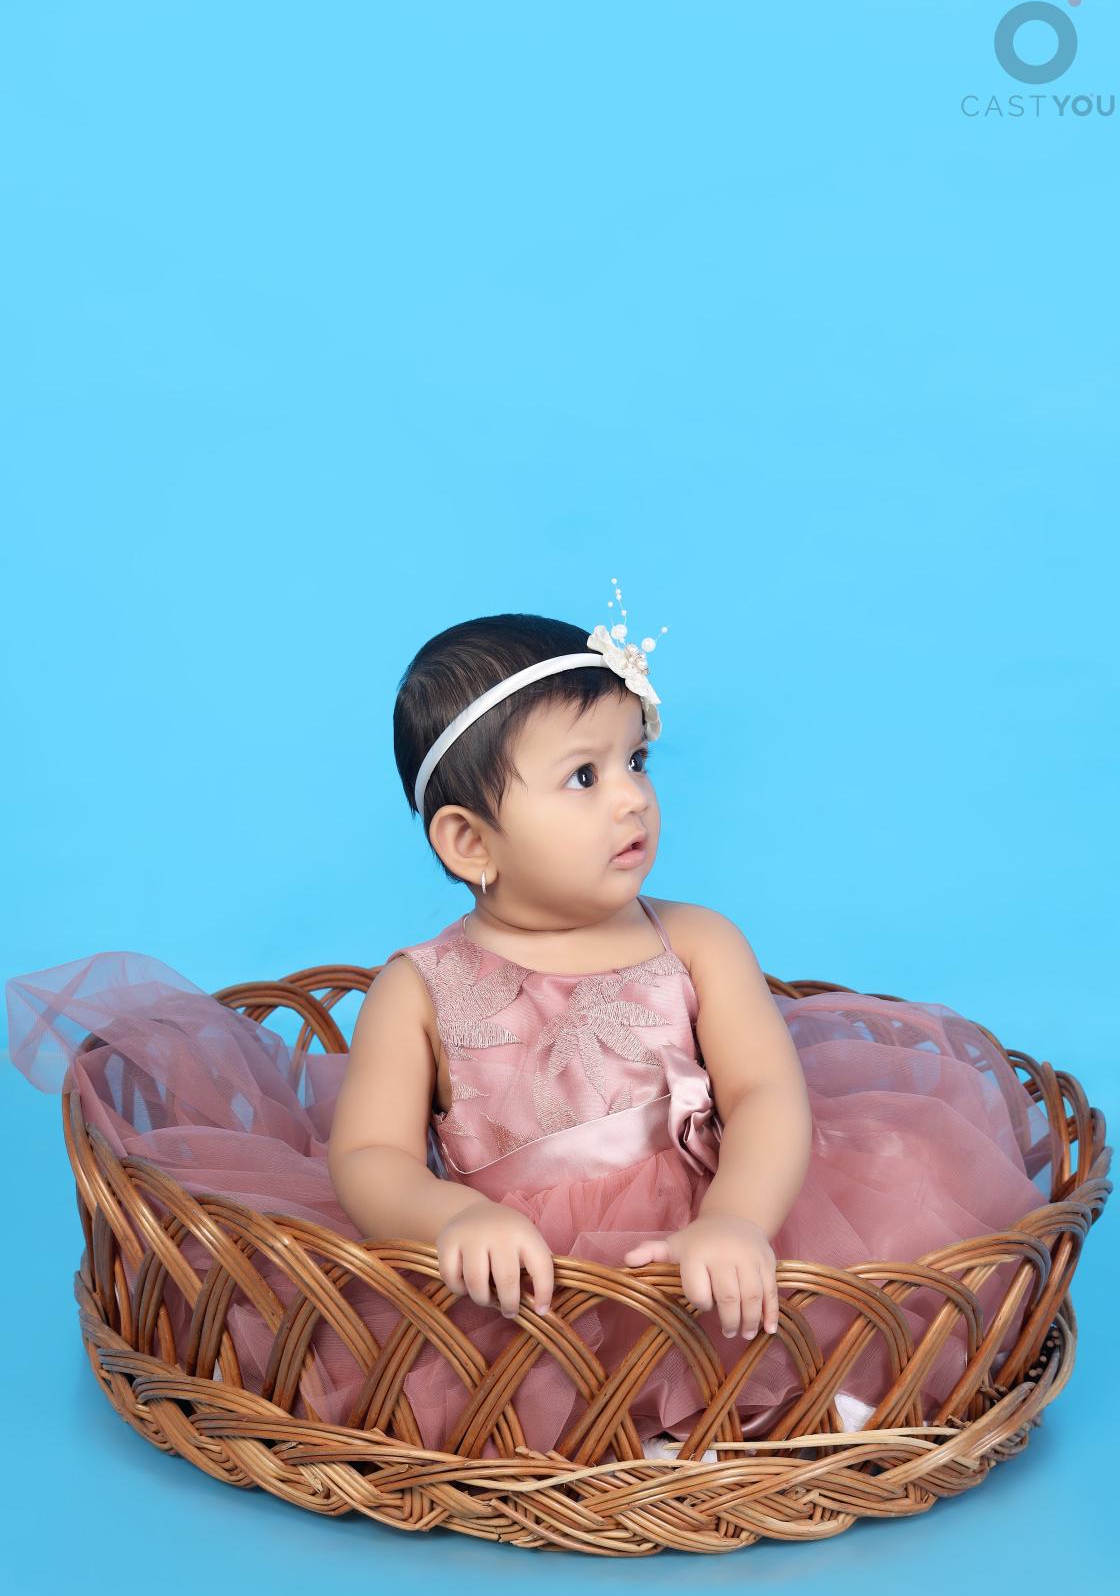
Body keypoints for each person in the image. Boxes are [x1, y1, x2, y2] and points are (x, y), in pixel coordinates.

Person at [5, 581, 1053, 1465]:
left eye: (637, 763)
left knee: (831, 1246)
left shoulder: (697, 942)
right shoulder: (418, 988)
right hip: (525, 1275)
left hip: (700, 1234)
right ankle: (639, 1430)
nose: (630, 800)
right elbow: (367, 1157)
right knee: (451, 1363)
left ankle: (801, 1400)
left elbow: (767, 1094)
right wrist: (450, 1219)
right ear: (470, 844)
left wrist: (735, 1218)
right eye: (584, 777)